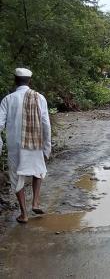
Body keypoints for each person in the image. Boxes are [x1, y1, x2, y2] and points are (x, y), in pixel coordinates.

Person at [0, 68, 51, 223]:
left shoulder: (8, 99)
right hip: (34, 142)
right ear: (30, 81)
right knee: (38, 171)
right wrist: (47, 146)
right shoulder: (39, 98)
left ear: (15, 80)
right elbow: (46, 124)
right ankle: (35, 202)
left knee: (16, 177)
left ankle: (24, 214)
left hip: (15, 145)